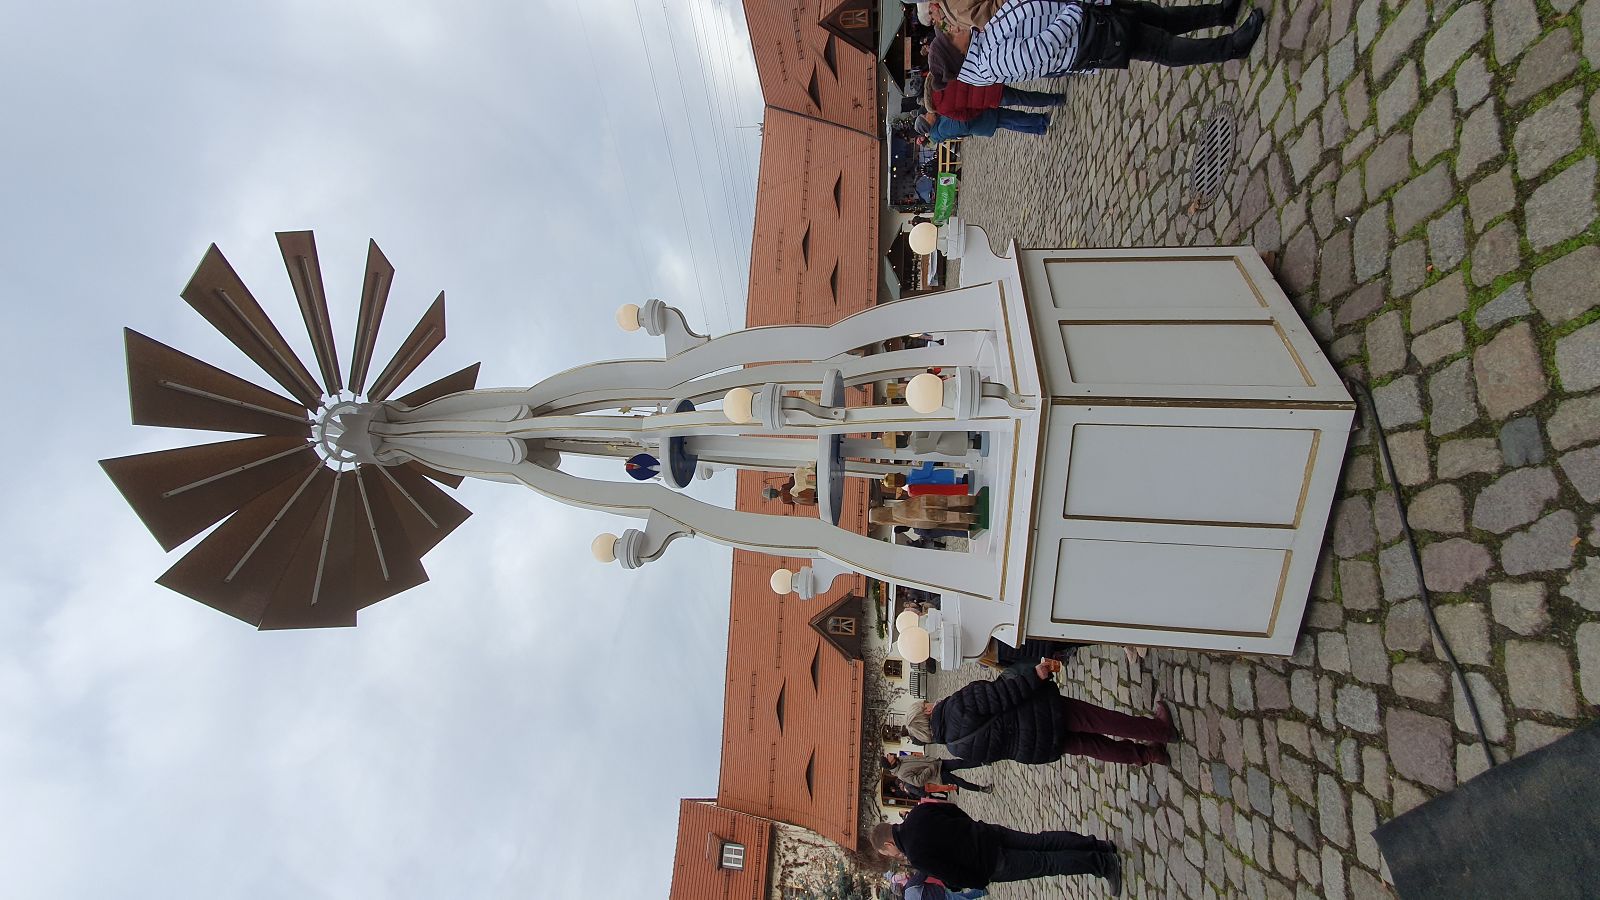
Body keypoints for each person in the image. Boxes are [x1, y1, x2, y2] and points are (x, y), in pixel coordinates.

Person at [906, 657, 1177, 765]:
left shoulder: (955, 747)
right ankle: (1161, 731)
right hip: (1040, 713)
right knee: (1103, 721)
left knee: (1094, 747)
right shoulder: (956, 706)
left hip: (1036, 747)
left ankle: (1149, 755)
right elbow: (1003, 694)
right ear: (927, 712)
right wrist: (1035, 676)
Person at [954, 0, 1262, 82]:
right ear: (956, 51)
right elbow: (1042, 49)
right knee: (1161, 47)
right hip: (1089, 35)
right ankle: (1233, 47)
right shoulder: (991, 60)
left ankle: (1220, 14)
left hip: (1090, 12)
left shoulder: (984, 37)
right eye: (952, 37)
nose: (955, 29)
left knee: (1159, 16)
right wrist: (1073, 12)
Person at [872, 799, 1123, 894]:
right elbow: (952, 809)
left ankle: (1102, 864)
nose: (892, 855)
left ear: (887, 844)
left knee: (1046, 863)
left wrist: (977, 881)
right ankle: (1099, 846)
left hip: (990, 863)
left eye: (887, 852)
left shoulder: (916, 855)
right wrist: (971, 827)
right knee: (1042, 841)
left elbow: (953, 875)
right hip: (989, 834)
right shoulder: (918, 812)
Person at [914, 109, 1049, 146]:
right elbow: (963, 125)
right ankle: (1042, 120)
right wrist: (966, 109)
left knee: (1011, 123)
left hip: (983, 122)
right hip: (983, 119)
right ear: (927, 123)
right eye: (925, 116)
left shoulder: (938, 128)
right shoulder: (941, 128)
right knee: (1014, 118)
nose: (928, 113)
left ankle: (1039, 129)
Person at [883, 752, 993, 796]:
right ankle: (982, 789)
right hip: (937, 775)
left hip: (938, 763)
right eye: (888, 757)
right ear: (890, 763)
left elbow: (918, 758)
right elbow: (918, 781)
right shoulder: (901, 774)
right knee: (959, 781)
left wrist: (930, 759)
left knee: (960, 763)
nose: (890, 755)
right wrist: (930, 768)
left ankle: (982, 762)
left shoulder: (901, 758)